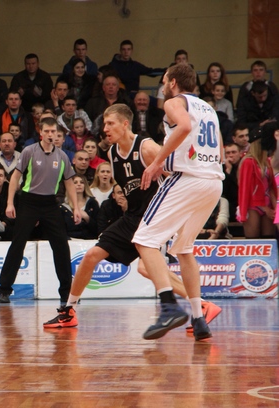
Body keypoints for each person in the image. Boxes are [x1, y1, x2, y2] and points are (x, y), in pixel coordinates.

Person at [43, 103, 221, 336]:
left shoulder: (147, 147)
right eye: (104, 124)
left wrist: (179, 216)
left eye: (110, 123)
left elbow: (177, 178)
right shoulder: (111, 153)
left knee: (146, 268)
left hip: (157, 215)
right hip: (132, 217)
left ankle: (199, 305)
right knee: (91, 256)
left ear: (125, 124)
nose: (105, 129)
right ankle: (68, 310)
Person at [132, 63, 224, 341]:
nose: (162, 86)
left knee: (144, 240)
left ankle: (169, 306)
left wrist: (157, 162)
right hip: (213, 182)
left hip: (188, 179)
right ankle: (199, 319)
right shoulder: (208, 109)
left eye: (164, 81)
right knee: (184, 249)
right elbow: (220, 148)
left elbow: (183, 126)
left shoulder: (174, 102)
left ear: (172, 82)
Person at [0, 118, 81, 305]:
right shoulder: (29, 151)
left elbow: (69, 182)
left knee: (61, 246)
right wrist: (10, 203)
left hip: (50, 203)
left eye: (54, 131)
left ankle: (66, 293)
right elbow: (15, 177)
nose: (51, 134)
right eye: (47, 131)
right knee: (18, 244)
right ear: (41, 133)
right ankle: (4, 289)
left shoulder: (62, 156)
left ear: (58, 134)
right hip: (29, 201)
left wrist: (76, 207)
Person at [237, 127, 277, 238]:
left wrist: (274, 207)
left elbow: (271, 186)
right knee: (252, 239)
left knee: (269, 239)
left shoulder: (267, 162)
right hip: (252, 205)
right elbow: (245, 188)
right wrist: (264, 208)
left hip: (268, 202)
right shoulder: (248, 162)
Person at [62, 174, 98, 239]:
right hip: (70, 240)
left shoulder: (93, 203)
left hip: (89, 240)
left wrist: (87, 218)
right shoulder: (63, 207)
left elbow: (98, 228)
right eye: (75, 183)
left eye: (82, 182)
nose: (79, 184)